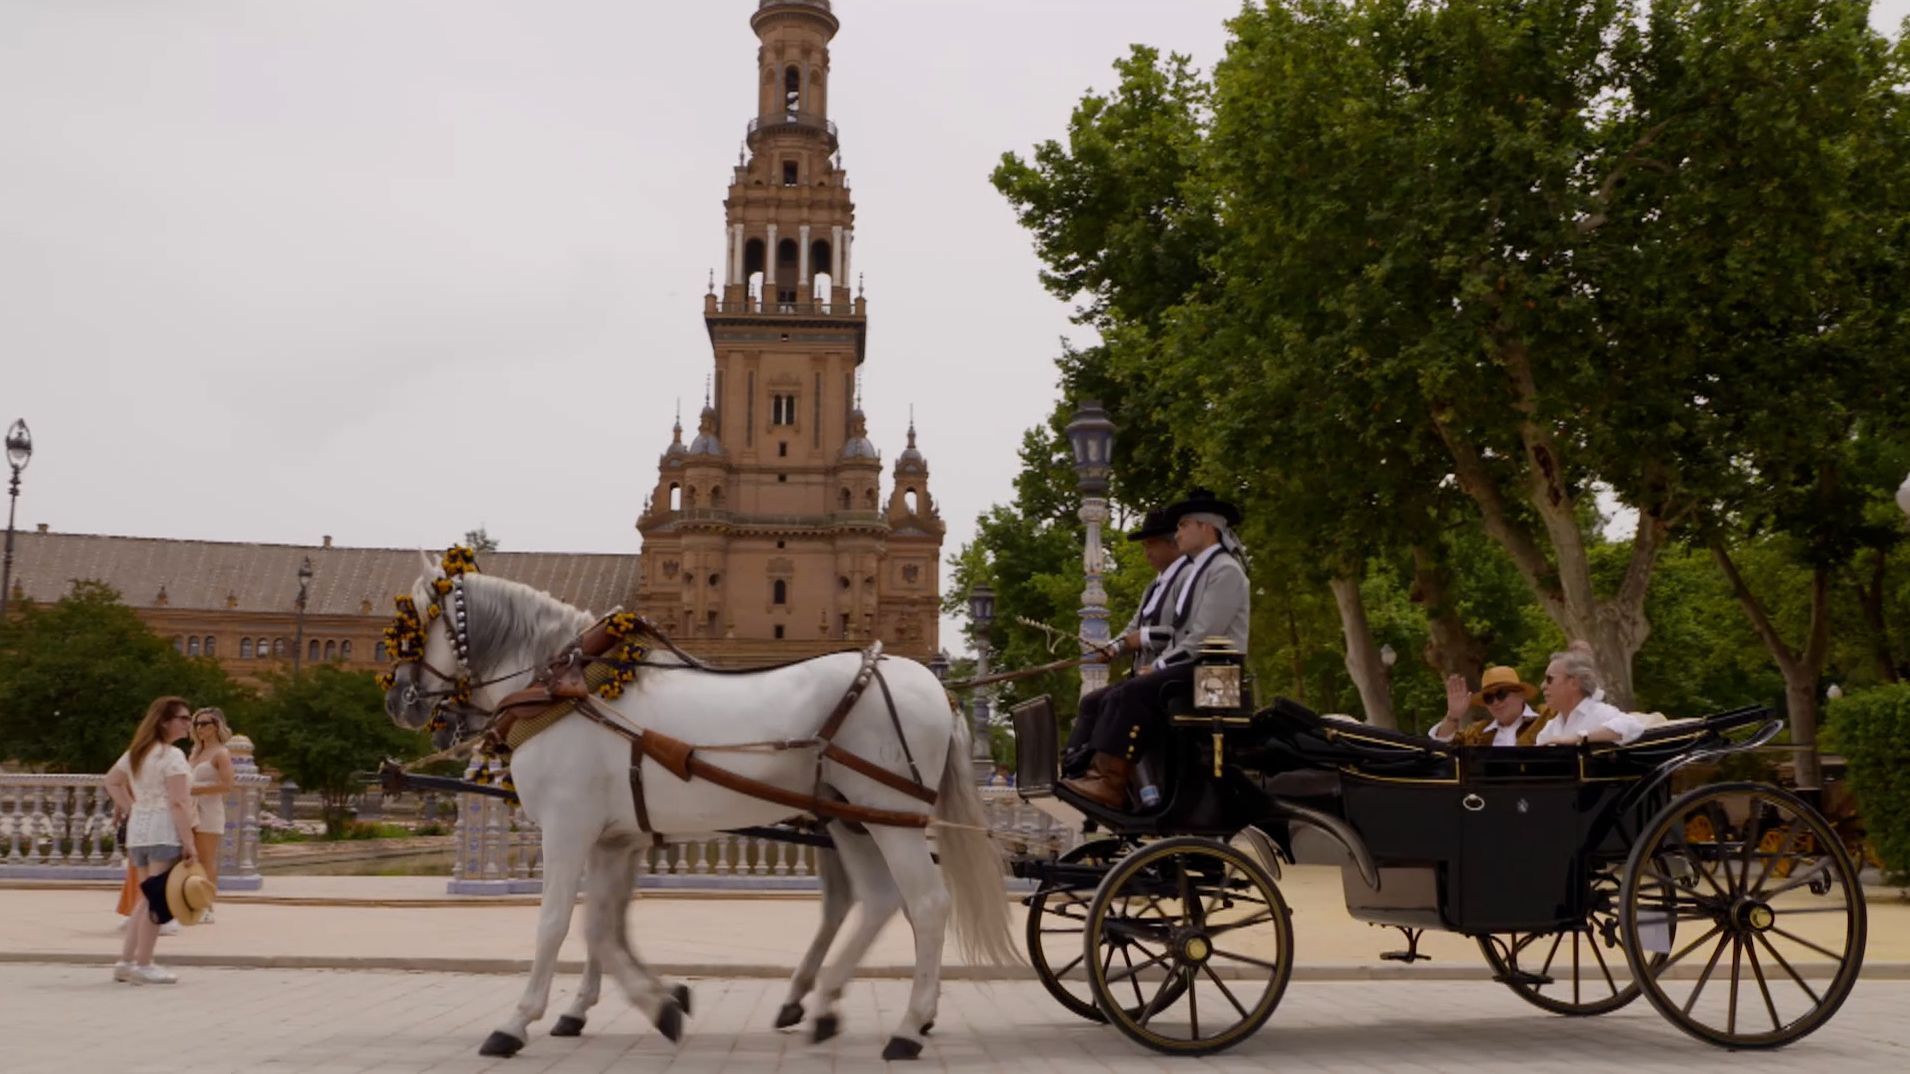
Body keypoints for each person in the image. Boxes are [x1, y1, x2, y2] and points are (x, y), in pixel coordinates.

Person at [1063, 490, 1249, 809]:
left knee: (1130, 692)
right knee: (1099, 699)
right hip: (1200, 671)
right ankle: (1082, 769)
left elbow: (1202, 635)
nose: (1177, 534)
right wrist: (1116, 648)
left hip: (1220, 678)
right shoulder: (1203, 571)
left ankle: (1111, 783)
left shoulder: (1226, 571)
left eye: (1183, 526)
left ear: (1207, 527)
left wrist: (1160, 666)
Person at [1061, 507, 1188, 778]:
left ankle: (1110, 777)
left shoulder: (1188, 578)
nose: (1146, 552)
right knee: (1092, 702)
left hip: (1169, 676)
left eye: (1150, 544)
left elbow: (1182, 632)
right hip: (1145, 675)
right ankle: (1075, 765)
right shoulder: (1154, 586)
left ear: (1171, 542)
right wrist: (1113, 647)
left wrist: (1139, 639)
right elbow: (1133, 626)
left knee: (1117, 700)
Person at [103, 696, 199, 984]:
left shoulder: (137, 753)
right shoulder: (172, 756)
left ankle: (127, 961)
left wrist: (133, 806)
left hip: (139, 832)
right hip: (163, 830)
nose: (188, 723)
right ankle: (143, 963)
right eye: (183, 718)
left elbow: (111, 781)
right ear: (165, 722)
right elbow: (179, 802)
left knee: (144, 897)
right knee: (156, 899)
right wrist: (189, 843)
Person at [1534, 647, 1646, 746]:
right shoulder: (1550, 728)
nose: (1542, 686)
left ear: (1574, 683)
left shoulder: (1599, 713)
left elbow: (1633, 726)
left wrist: (1578, 738)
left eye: (1549, 679)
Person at [188, 707, 237, 917]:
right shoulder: (195, 751)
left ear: (216, 726)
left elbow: (227, 785)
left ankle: (207, 905)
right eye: (197, 723)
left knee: (207, 858)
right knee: (191, 857)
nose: (200, 728)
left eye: (205, 723)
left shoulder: (221, 753)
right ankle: (189, 900)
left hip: (209, 809)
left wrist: (196, 789)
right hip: (189, 808)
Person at [1429, 665, 1554, 747]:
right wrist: (1453, 716)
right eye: (1488, 698)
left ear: (1520, 694)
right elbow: (1441, 747)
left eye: (1501, 694)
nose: (1495, 702)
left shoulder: (1546, 720)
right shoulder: (1476, 734)